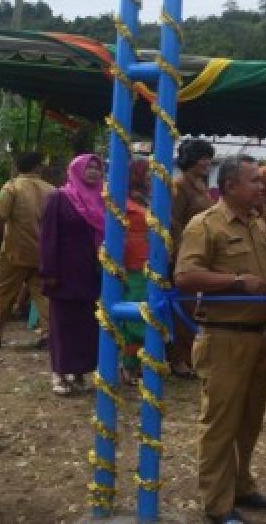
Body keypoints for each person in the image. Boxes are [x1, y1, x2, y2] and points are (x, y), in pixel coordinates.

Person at [174, 155, 266, 524]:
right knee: (220, 424)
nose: (261, 187)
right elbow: (186, 276)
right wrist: (236, 282)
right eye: (254, 181)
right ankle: (218, 505)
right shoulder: (205, 225)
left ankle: (243, 486)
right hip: (224, 338)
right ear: (231, 186)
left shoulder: (257, 222)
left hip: (259, 336)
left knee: (249, 421)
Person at [0, 151, 53, 349]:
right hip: (43, 253)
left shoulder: (11, 188)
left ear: (17, 167)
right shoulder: (53, 191)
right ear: (39, 167)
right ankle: (48, 336)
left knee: (1, 294)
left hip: (14, 252)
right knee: (43, 295)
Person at [39, 154, 105, 396]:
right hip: (64, 273)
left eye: (97, 168)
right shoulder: (60, 198)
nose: (93, 172)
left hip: (92, 273)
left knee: (87, 324)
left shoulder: (102, 199)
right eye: (89, 168)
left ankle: (79, 372)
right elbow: (48, 236)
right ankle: (58, 373)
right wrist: (49, 271)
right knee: (63, 324)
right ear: (76, 170)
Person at [170, 138, 216, 379]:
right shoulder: (179, 186)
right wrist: (181, 254)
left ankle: (189, 356)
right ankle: (178, 359)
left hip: (201, 255)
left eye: (209, 157)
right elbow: (174, 223)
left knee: (194, 310)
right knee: (183, 309)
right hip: (184, 257)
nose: (207, 162)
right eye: (202, 157)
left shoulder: (200, 185)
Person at [120, 158, 151, 385]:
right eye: (147, 173)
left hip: (151, 265)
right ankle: (128, 365)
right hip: (133, 265)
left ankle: (136, 363)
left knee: (146, 315)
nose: (152, 177)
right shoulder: (122, 200)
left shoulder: (149, 199)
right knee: (134, 318)